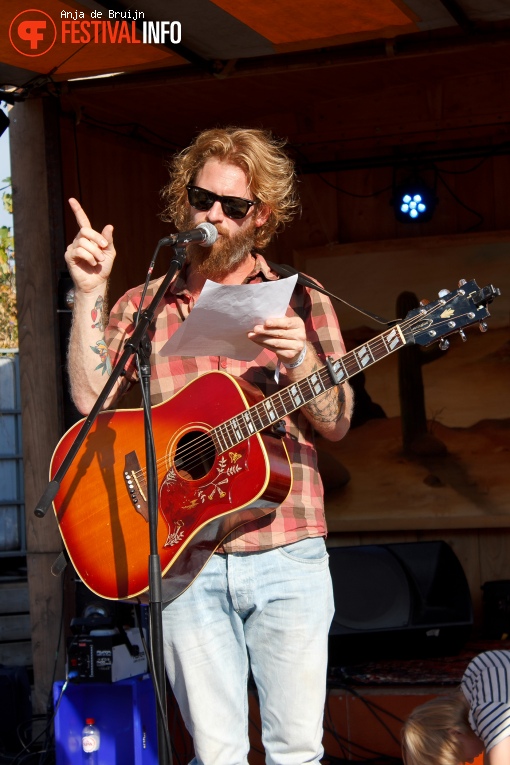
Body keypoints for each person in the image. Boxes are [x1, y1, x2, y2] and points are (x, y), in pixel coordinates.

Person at [64, 126, 354, 765]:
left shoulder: (303, 300)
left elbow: (334, 423)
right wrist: (90, 290)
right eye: (202, 199)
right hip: (181, 555)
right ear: (184, 201)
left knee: (296, 751)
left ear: (262, 217)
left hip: (287, 550)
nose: (214, 216)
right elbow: (91, 404)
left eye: (233, 206)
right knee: (216, 754)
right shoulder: (143, 306)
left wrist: (302, 356)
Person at [402, 649, 510, 765]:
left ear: (454, 733)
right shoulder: (477, 673)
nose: (470, 761)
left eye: (460, 758)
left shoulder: (489, 707)